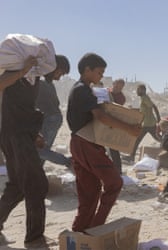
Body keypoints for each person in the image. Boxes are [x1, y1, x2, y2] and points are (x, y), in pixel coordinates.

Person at [67, 53, 140, 232]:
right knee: (115, 183)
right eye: (99, 72)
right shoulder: (82, 90)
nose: (101, 76)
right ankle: (95, 229)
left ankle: (79, 235)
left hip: (82, 144)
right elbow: (100, 116)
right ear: (87, 70)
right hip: (86, 143)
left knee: (90, 194)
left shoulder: (85, 89)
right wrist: (129, 128)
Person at [0, 56, 51, 247]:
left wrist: (35, 133)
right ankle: (35, 238)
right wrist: (24, 69)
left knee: (17, 187)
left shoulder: (34, 79)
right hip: (14, 135)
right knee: (37, 185)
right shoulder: (15, 73)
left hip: (21, 135)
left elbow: (25, 108)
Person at [36, 55, 72, 170]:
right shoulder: (44, 81)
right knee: (41, 150)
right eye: (60, 73)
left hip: (50, 119)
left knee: (38, 150)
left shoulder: (41, 81)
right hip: (52, 118)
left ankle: (69, 162)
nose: (59, 77)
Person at [125, 84, 161, 163]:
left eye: (138, 90)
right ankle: (131, 156)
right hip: (147, 124)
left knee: (137, 140)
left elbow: (154, 106)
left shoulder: (144, 97)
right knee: (157, 138)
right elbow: (143, 110)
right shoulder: (142, 98)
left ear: (143, 90)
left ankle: (131, 157)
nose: (137, 91)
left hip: (148, 124)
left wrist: (159, 118)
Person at [108, 78, 126, 174]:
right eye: (116, 85)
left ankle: (118, 170)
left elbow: (115, 110)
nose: (118, 88)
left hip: (113, 123)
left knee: (113, 147)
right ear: (113, 84)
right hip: (101, 121)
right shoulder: (106, 92)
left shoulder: (121, 98)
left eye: (120, 87)